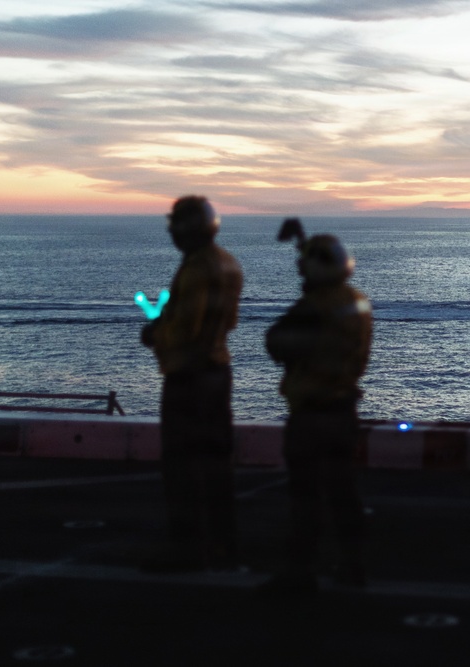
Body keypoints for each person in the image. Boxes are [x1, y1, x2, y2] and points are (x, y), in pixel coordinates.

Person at [263, 228, 373, 595]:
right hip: (344, 408)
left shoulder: (315, 307)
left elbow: (277, 342)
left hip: (312, 410)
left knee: (305, 496)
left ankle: (300, 570)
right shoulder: (355, 301)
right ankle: (354, 564)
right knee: (343, 491)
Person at [140, 195, 243, 572]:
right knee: (216, 464)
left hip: (190, 375)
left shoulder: (198, 268)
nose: (172, 232)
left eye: (176, 225)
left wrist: (154, 333)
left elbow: (185, 328)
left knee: (182, 465)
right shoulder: (228, 262)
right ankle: (221, 543)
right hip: (217, 371)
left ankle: (187, 548)